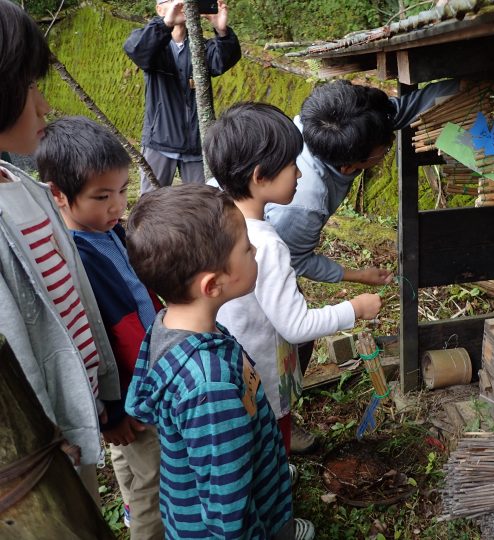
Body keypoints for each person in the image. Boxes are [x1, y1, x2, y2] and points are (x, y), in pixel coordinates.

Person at [124, 184, 308, 540]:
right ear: (212, 285)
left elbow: (141, 397)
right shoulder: (210, 389)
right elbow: (228, 512)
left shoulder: (169, 323)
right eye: (246, 248)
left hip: (234, 488)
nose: (255, 250)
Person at [205, 102, 381, 459]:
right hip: (263, 372)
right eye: (292, 167)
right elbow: (297, 325)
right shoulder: (267, 244)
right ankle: (278, 505)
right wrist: (355, 308)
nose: (300, 175)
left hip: (228, 361)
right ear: (260, 176)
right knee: (271, 445)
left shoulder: (211, 214)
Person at [0, 0, 120, 502]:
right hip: (38, 460)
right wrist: (43, 442)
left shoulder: (23, 187)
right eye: (30, 85)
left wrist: (105, 391)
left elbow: (79, 306)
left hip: (76, 424)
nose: (43, 103)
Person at [36, 116, 165, 539]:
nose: (117, 206)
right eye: (101, 196)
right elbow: (89, 343)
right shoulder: (72, 261)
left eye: (123, 191)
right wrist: (110, 411)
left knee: (131, 464)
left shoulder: (110, 231)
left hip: (142, 378)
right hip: (129, 393)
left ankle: (130, 510)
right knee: (155, 482)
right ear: (58, 195)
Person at [265, 78, 459, 287]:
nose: (391, 142)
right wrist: (358, 275)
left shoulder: (329, 122)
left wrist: (468, 85)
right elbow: (294, 260)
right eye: (385, 150)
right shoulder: (301, 205)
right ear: (348, 167)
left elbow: (403, 110)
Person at [124, 0, 241, 193]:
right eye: (171, 1)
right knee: (151, 206)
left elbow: (222, 61)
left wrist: (222, 32)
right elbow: (138, 51)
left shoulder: (200, 47)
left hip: (197, 144)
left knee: (201, 206)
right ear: (159, 9)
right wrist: (166, 23)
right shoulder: (150, 44)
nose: (180, 5)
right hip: (159, 141)